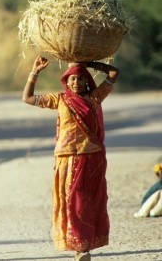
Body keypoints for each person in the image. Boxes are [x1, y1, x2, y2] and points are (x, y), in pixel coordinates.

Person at [22, 55, 119, 261]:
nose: (76, 82)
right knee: (70, 201)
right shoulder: (59, 99)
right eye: (72, 79)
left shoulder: (95, 98)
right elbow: (28, 98)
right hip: (66, 158)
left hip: (90, 158)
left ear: (86, 81)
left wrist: (87, 63)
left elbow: (113, 73)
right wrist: (35, 72)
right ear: (66, 81)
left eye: (80, 78)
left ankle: (84, 247)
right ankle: (78, 246)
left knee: (86, 201)